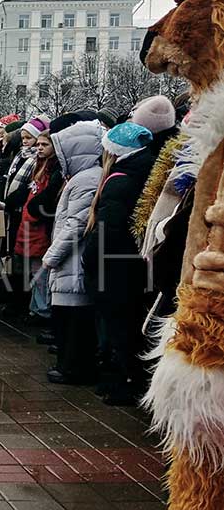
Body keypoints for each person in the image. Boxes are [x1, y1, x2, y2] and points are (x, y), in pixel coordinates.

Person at [83, 119, 164, 406]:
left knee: (119, 328)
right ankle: (128, 380)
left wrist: (89, 257)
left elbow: (107, 229)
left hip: (113, 264)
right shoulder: (147, 171)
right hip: (132, 262)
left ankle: (127, 383)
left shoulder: (119, 181)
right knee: (128, 325)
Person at [40, 115, 104, 385]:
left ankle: (73, 367)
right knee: (69, 318)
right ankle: (70, 364)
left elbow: (76, 224)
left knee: (74, 320)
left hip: (73, 261)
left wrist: (51, 257)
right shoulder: (83, 178)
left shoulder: (85, 180)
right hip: (71, 261)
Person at [13, 132, 63, 324]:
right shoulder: (39, 166)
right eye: (39, 144)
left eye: (45, 144)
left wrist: (36, 213)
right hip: (29, 226)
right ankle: (37, 307)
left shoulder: (54, 170)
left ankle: (42, 309)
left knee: (41, 271)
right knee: (35, 271)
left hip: (39, 227)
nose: (40, 147)